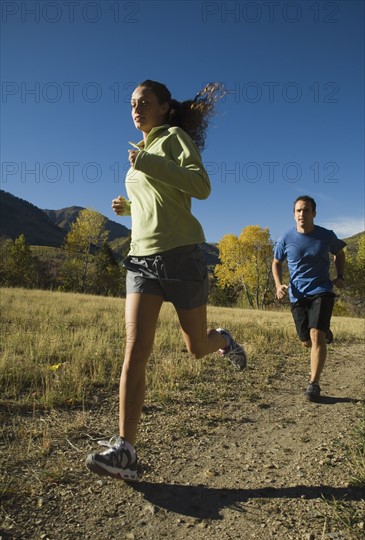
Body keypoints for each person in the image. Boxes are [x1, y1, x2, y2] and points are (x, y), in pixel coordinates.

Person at [85, 79, 246, 481]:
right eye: (132, 103)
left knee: (196, 348)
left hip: (182, 256)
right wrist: (128, 208)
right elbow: (156, 203)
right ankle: (125, 451)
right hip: (141, 259)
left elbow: (201, 187)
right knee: (135, 349)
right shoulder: (137, 155)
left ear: (164, 107)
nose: (136, 108)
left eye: (145, 102)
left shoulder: (173, 138)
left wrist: (149, 165)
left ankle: (223, 340)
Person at [272, 195, 346, 402]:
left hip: (322, 290)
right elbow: (276, 262)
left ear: (314, 213)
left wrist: (340, 276)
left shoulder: (326, 236)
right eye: (298, 211)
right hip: (297, 294)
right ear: (294, 214)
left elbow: (339, 253)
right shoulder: (285, 238)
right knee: (306, 340)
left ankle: (314, 384)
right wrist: (279, 285)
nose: (302, 214)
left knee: (316, 335)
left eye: (306, 210)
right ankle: (324, 330)